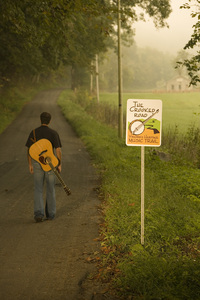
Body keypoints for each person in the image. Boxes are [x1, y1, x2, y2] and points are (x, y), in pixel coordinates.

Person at [26, 112, 62, 222]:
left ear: (40, 120)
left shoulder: (34, 132)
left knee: (38, 189)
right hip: (50, 164)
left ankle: (38, 214)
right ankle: (50, 214)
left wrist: (30, 164)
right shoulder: (53, 133)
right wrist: (59, 164)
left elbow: (29, 150)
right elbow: (58, 150)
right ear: (49, 121)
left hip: (37, 163)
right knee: (51, 188)